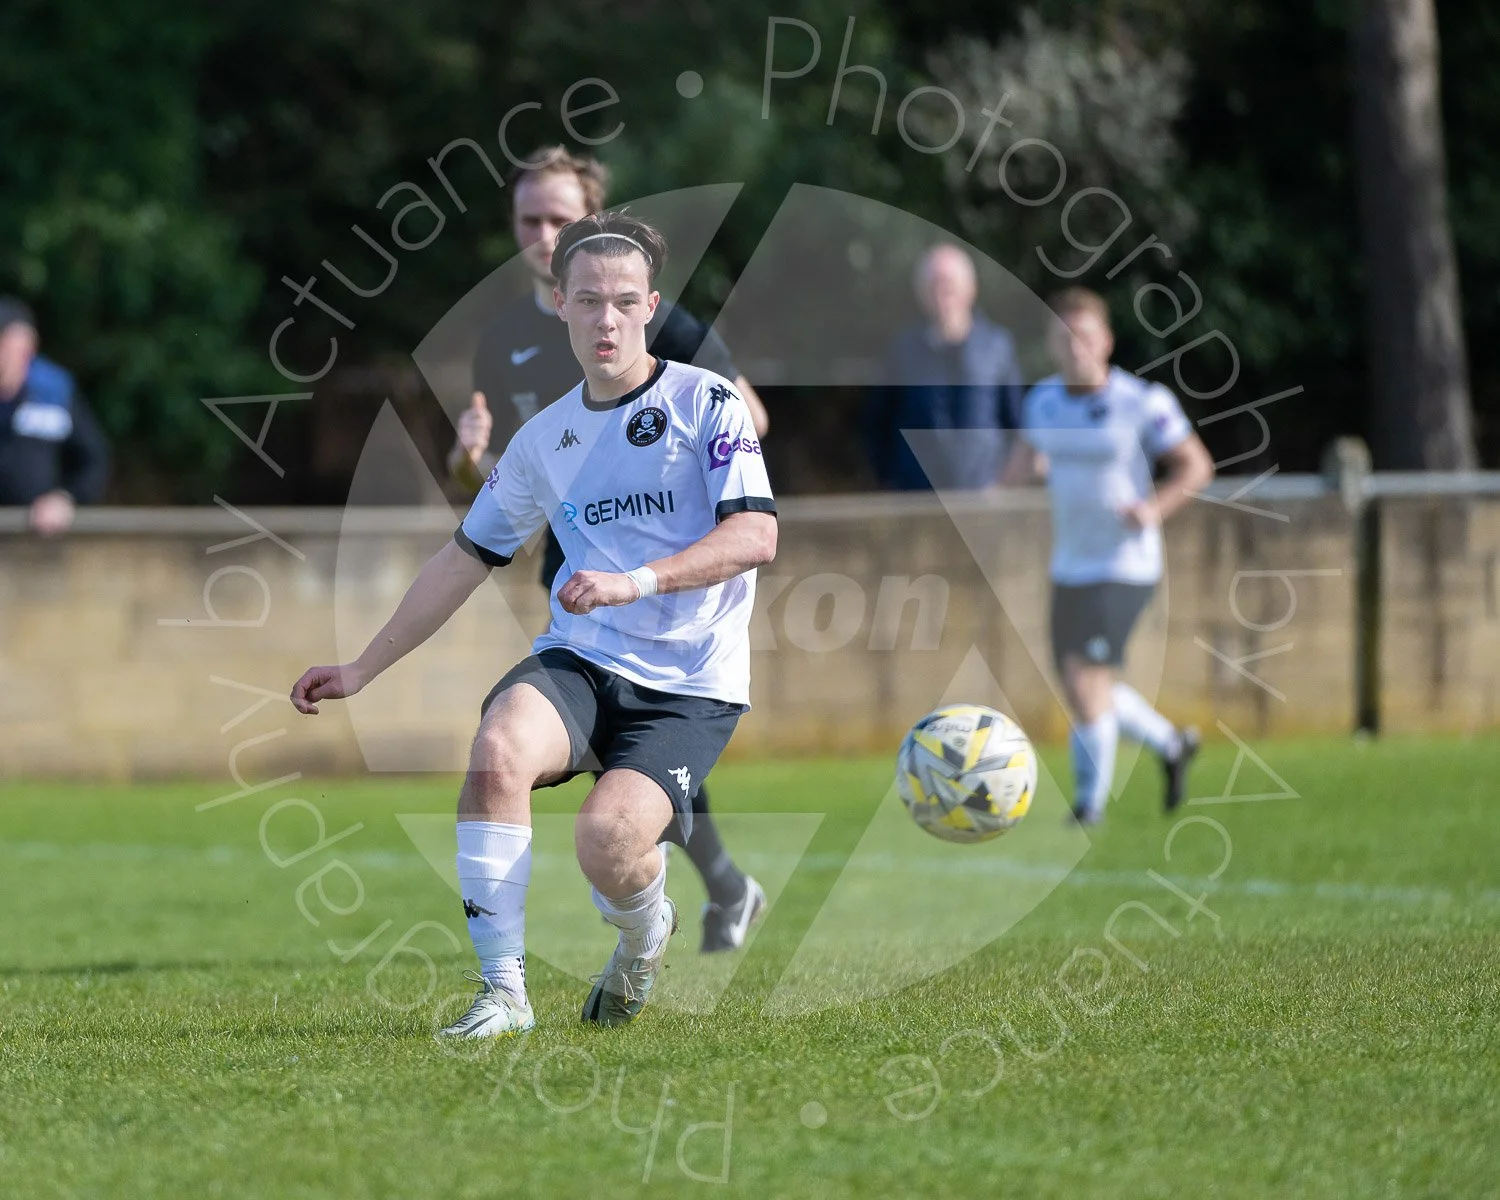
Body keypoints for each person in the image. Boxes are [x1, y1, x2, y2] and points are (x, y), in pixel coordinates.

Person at [292, 213, 777, 1036]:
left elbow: (756, 536)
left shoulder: (707, 401)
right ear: (561, 305)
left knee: (608, 843)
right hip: (580, 659)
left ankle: (642, 933)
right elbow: (462, 559)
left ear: (651, 305)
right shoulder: (543, 439)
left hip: (690, 684)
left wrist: (633, 582)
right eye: (588, 301)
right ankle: (503, 995)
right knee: (497, 751)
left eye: (623, 301)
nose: (606, 319)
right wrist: (362, 668)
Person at [447, 146, 770, 954]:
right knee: (583, 748)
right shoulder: (503, 339)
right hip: (575, 575)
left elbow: (748, 417)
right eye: (529, 219)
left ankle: (703, 886)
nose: (541, 232)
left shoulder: (657, 321)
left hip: (666, 578)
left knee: (634, 764)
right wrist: (466, 458)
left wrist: (657, 498)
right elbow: (506, 482)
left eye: (558, 218)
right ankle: (702, 888)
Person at [1001, 287, 1214, 824]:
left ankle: (1088, 805)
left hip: (1125, 563)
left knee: (1085, 676)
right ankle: (1170, 743)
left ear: (1106, 342)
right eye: (1063, 337)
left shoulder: (1141, 401)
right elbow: (1022, 466)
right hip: (1070, 562)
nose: (1075, 347)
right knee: (1086, 687)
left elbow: (1196, 465)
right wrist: (990, 491)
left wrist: (1154, 508)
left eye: (1084, 336)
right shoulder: (1043, 402)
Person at [866, 244, 1022, 492]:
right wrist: (891, 480)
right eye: (933, 285)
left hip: (982, 498)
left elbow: (1017, 424)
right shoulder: (902, 350)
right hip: (916, 498)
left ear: (971, 288)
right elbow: (878, 423)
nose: (941, 293)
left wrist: (1004, 483)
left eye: (949, 285)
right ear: (920, 293)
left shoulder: (998, 347)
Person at [0, 298, 109, 534]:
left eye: (7, 340)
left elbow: (94, 460)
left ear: (29, 346)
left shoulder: (54, 393)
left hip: (35, 541)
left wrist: (65, 497)